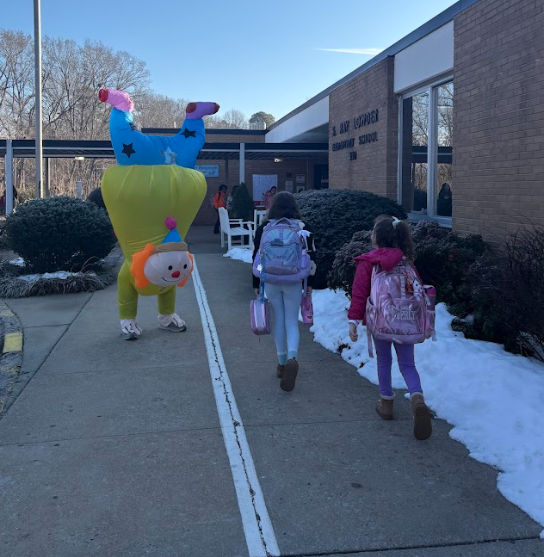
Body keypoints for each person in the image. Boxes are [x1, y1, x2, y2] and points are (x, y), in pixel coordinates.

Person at [347, 215, 432, 440]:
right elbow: (420, 291)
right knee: (408, 364)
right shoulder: (406, 262)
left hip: (381, 320)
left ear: (377, 237)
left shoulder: (370, 262)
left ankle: (386, 403)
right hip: (407, 322)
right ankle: (417, 399)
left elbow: (359, 293)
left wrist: (354, 321)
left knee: (384, 361)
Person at [252, 192, 316, 392]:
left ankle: (281, 365)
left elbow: (257, 254)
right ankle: (292, 358)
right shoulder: (303, 228)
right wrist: (311, 282)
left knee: (278, 319)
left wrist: (256, 282)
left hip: (270, 279)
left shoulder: (265, 228)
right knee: (291, 320)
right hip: (294, 280)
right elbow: (312, 256)